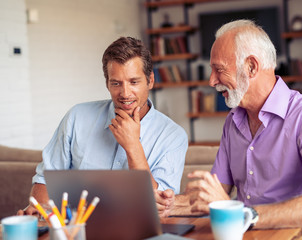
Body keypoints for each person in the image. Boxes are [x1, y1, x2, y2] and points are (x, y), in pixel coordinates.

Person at [155, 20, 302, 239]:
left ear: (251, 67)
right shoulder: (233, 122)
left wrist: (245, 215)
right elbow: (214, 196)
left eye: (218, 69)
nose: (211, 81)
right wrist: (167, 204)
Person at [18, 36, 188, 215]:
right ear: (107, 83)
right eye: (116, 83)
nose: (125, 93)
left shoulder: (173, 136)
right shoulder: (77, 117)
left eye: (134, 82)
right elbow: (46, 179)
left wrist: (133, 147)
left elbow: (159, 205)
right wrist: (40, 214)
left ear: (150, 81)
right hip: (76, 230)